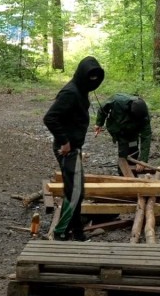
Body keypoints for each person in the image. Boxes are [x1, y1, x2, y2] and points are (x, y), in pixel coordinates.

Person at [43, 56, 105, 241]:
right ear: (81, 74)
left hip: (73, 148)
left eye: (96, 77)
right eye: (90, 77)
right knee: (76, 192)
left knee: (76, 190)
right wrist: (64, 141)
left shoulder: (82, 89)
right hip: (66, 150)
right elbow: (50, 118)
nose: (93, 81)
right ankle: (62, 231)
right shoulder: (71, 92)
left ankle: (77, 232)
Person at [95, 93, 152, 175]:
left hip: (133, 132)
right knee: (124, 151)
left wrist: (143, 160)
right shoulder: (117, 101)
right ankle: (122, 174)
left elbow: (146, 136)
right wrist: (99, 123)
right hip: (119, 129)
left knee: (133, 147)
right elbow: (103, 109)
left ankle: (133, 172)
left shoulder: (144, 116)